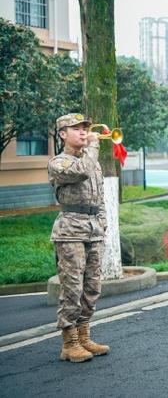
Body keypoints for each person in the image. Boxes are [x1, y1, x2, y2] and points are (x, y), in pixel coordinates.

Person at [48, 113, 109, 363]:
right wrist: (94, 146)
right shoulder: (59, 162)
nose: (84, 132)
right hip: (70, 232)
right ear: (63, 134)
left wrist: (102, 222)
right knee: (72, 288)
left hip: (94, 230)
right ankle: (69, 343)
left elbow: (100, 196)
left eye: (86, 128)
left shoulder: (91, 160)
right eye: (77, 129)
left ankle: (84, 336)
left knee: (92, 287)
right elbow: (81, 172)